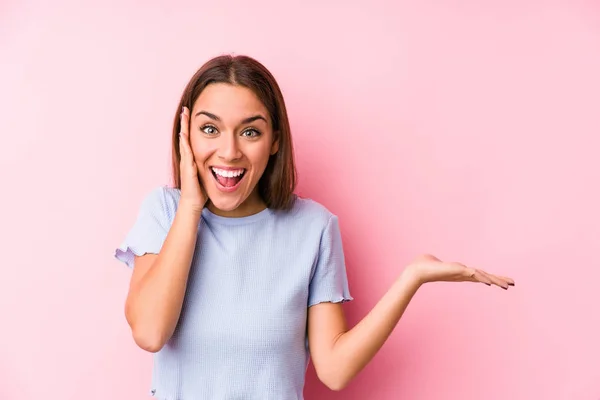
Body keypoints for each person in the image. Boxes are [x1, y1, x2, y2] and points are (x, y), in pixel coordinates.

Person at [114, 54, 515, 399]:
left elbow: (334, 369)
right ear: (186, 136)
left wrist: (412, 278)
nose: (230, 150)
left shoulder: (312, 228)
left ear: (274, 141)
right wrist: (190, 205)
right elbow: (150, 332)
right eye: (209, 129)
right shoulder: (164, 212)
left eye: (250, 131)